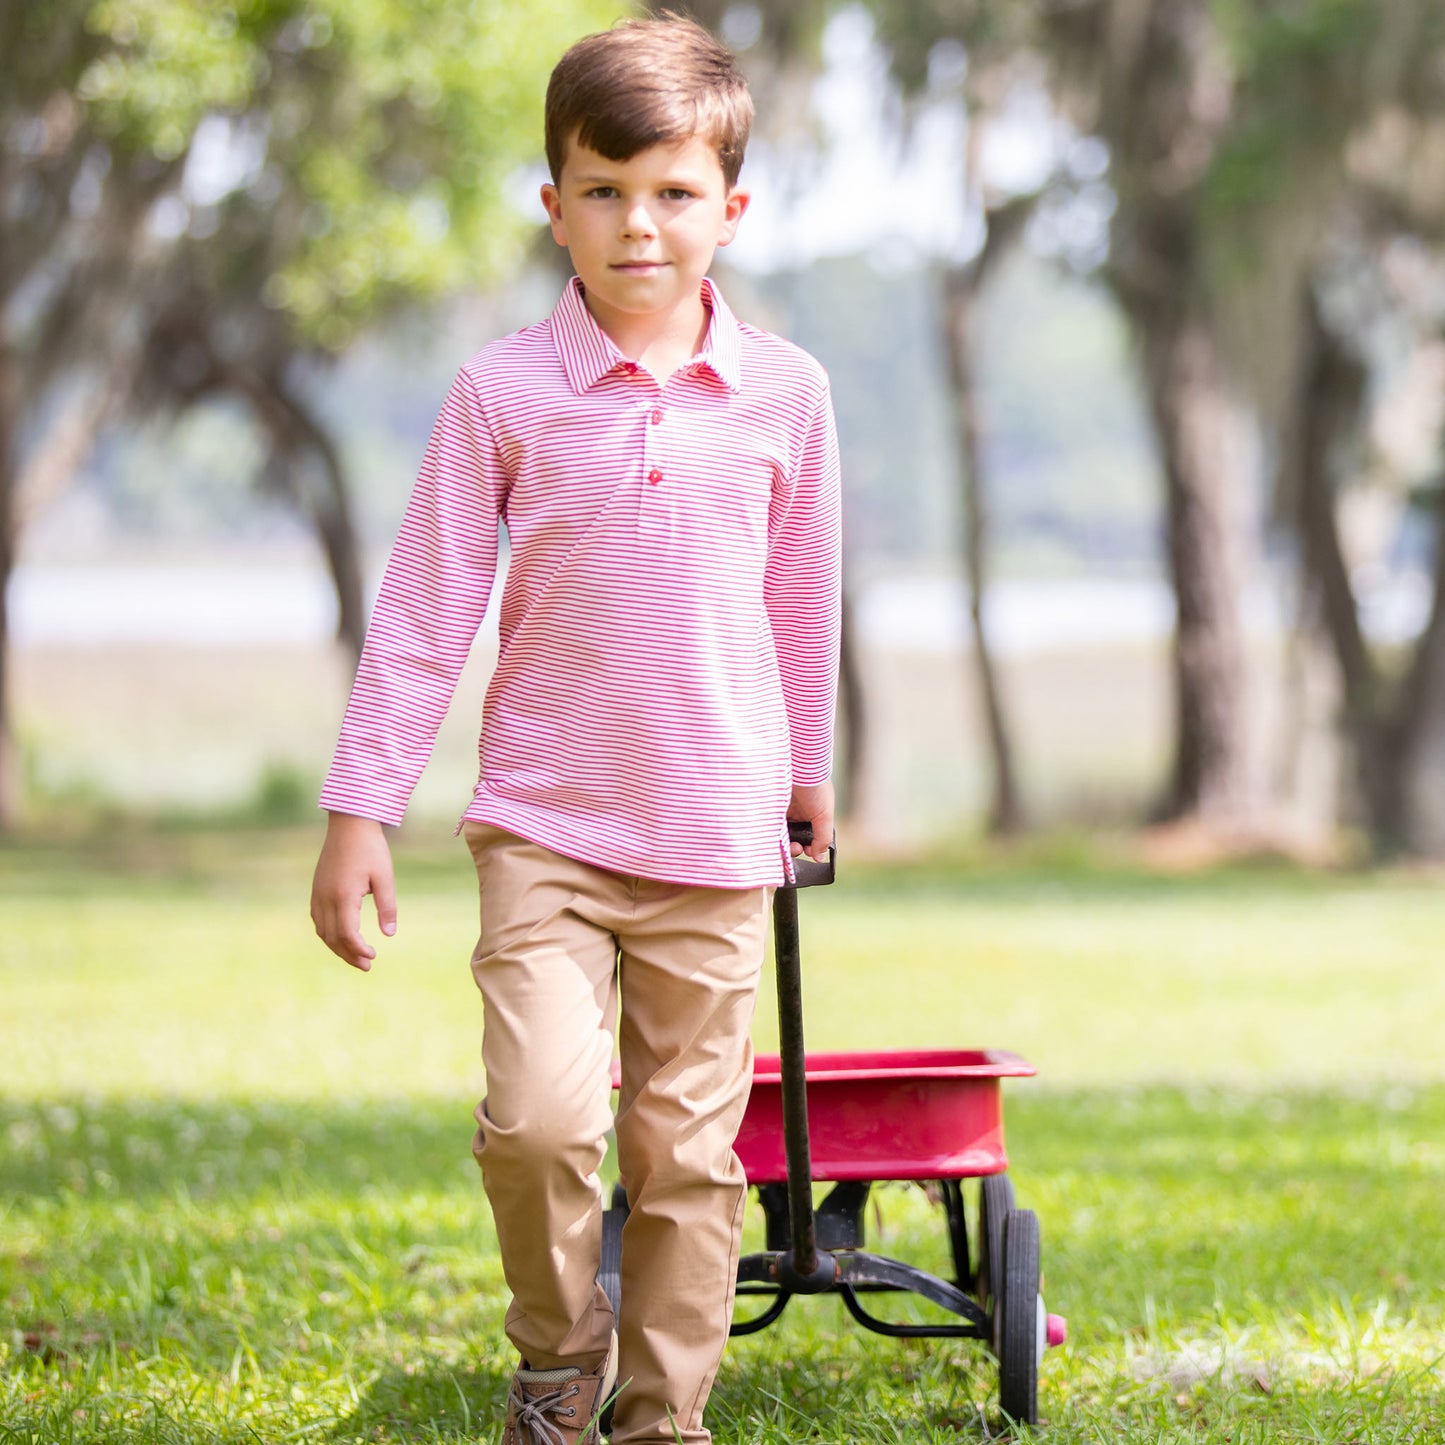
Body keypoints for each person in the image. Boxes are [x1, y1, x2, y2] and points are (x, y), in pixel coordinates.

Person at [309, 15, 841, 1444]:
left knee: (684, 1153)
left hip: (715, 833)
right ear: (553, 207)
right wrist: (361, 809)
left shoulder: (787, 393)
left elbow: (802, 598)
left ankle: (660, 1415)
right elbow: (424, 614)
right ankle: (556, 1362)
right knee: (540, 1122)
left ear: (730, 209)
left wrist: (805, 775)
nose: (638, 224)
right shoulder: (501, 393)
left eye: (673, 192)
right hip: (542, 827)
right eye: (602, 190)